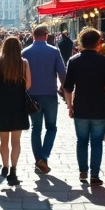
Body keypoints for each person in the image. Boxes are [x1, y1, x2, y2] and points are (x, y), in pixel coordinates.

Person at [62, 27, 105, 187]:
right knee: (97, 142)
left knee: (81, 141)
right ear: (98, 43)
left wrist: (69, 106)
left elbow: (67, 87)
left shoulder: (73, 61)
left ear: (81, 42)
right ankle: (95, 175)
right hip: (100, 107)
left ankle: (82, 172)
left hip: (80, 106)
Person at [0, 35, 31, 185]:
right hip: (18, 104)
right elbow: (29, 84)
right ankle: (14, 171)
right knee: (16, 141)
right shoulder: (23, 63)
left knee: (4, 141)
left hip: (2, 104)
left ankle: (5, 166)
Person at [22, 24, 66, 175]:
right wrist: (64, 89)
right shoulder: (54, 51)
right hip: (50, 95)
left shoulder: (25, 52)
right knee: (51, 127)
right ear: (46, 35)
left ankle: (38, 160)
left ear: (33, 36)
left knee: (36, 129)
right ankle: (44, 157)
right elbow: (62, 72)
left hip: (32, 96)